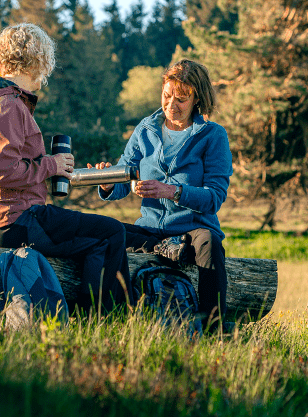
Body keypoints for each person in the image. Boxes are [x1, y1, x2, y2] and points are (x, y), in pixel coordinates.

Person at [0, 22, 129, 310]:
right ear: (37, 62)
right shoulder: (8, 106)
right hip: (15, 220)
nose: (45, 76)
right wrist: (51, 165)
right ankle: (100, 320)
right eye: (45, 65)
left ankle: (78, 313)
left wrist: (50, 167)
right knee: (110, 233)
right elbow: (4, 172)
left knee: (89, 235)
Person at [93, 59, 233, 327]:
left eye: (181, 99)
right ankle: (111, 320)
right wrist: (109, 183)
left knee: (210, 243)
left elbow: (214, 197)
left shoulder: (213, 136)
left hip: (193, 230)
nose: (171, 105)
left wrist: (171, 191)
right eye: (167, 96)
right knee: (106, 231)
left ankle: (214, 327)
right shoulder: (145, 130)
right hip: (150, 230)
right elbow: (125, 176)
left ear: (197, 99)